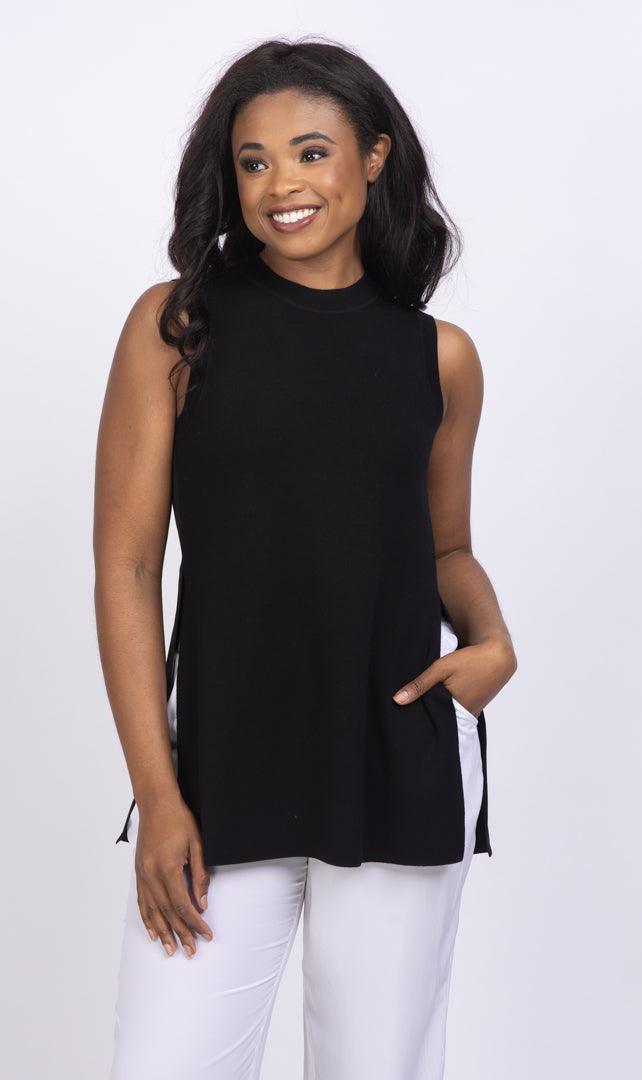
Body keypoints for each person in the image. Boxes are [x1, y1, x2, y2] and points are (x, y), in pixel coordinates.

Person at [94, 37, 517, 1080]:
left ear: (374, 156)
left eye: (311, 152)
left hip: (397, 755)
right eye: (254, 161)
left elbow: (446, 546)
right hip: (218, 769)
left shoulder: (439, 357)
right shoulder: (176, 327)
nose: (281, 183)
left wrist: (493, 639)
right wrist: (158, 794)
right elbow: (127, 567)